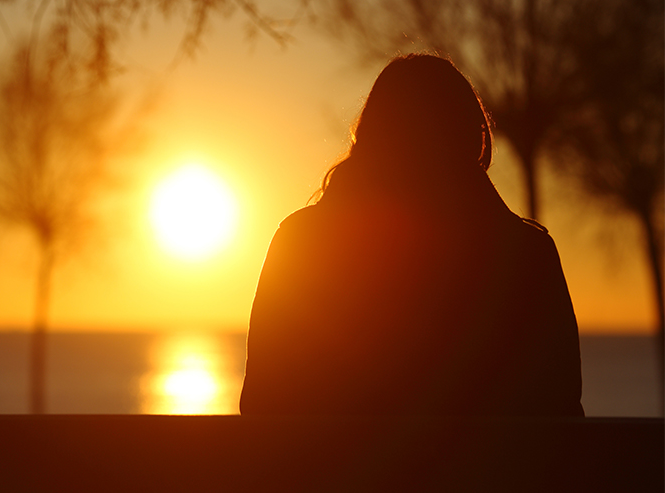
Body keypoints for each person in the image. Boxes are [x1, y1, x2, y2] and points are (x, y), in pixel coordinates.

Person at [239, 53, 584, 416]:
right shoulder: (528, 256)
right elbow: (562, 408)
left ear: (372, 135)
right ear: (471, 139)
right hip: (488, 473)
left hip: (333, 472)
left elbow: (261, 402)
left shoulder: (300, 243)